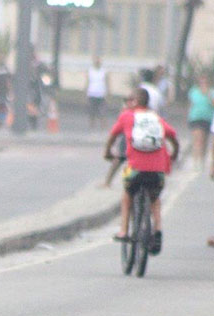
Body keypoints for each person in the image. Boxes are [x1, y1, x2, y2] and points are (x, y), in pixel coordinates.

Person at [103, 88, 179, 255]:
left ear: (135, 102)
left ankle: (123, 230)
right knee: (155, 198)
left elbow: (112, 136)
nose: (127, 103)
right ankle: (157, 230)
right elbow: (173, 136)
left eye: (129, 100)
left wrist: (108, 152)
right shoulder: (156, 118)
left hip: (135, 171)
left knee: (127, 193)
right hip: (157, 173)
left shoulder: (127, 116)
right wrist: (175, 153)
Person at [187, 74, 214, 171]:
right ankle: (196, 161)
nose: (204, 84)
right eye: (202, 82)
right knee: (197, 139)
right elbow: (191, 104)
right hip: (195, 117)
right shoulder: (194, 92)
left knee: (204, 140)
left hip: (207, 118)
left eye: (206, 82)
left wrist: (208, 95)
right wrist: (188, 116)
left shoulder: (211, 92)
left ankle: (202, 159)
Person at [86, 56, 109, 129]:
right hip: (92, 93)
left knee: (102, 111)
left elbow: (107, 82)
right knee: (91, 111)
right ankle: (92, 125)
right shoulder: (90, 71)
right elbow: (87, 82)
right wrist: (85, 92)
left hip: (101, 94)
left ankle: (103, 126)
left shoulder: (104, 71)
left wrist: (107, 93)